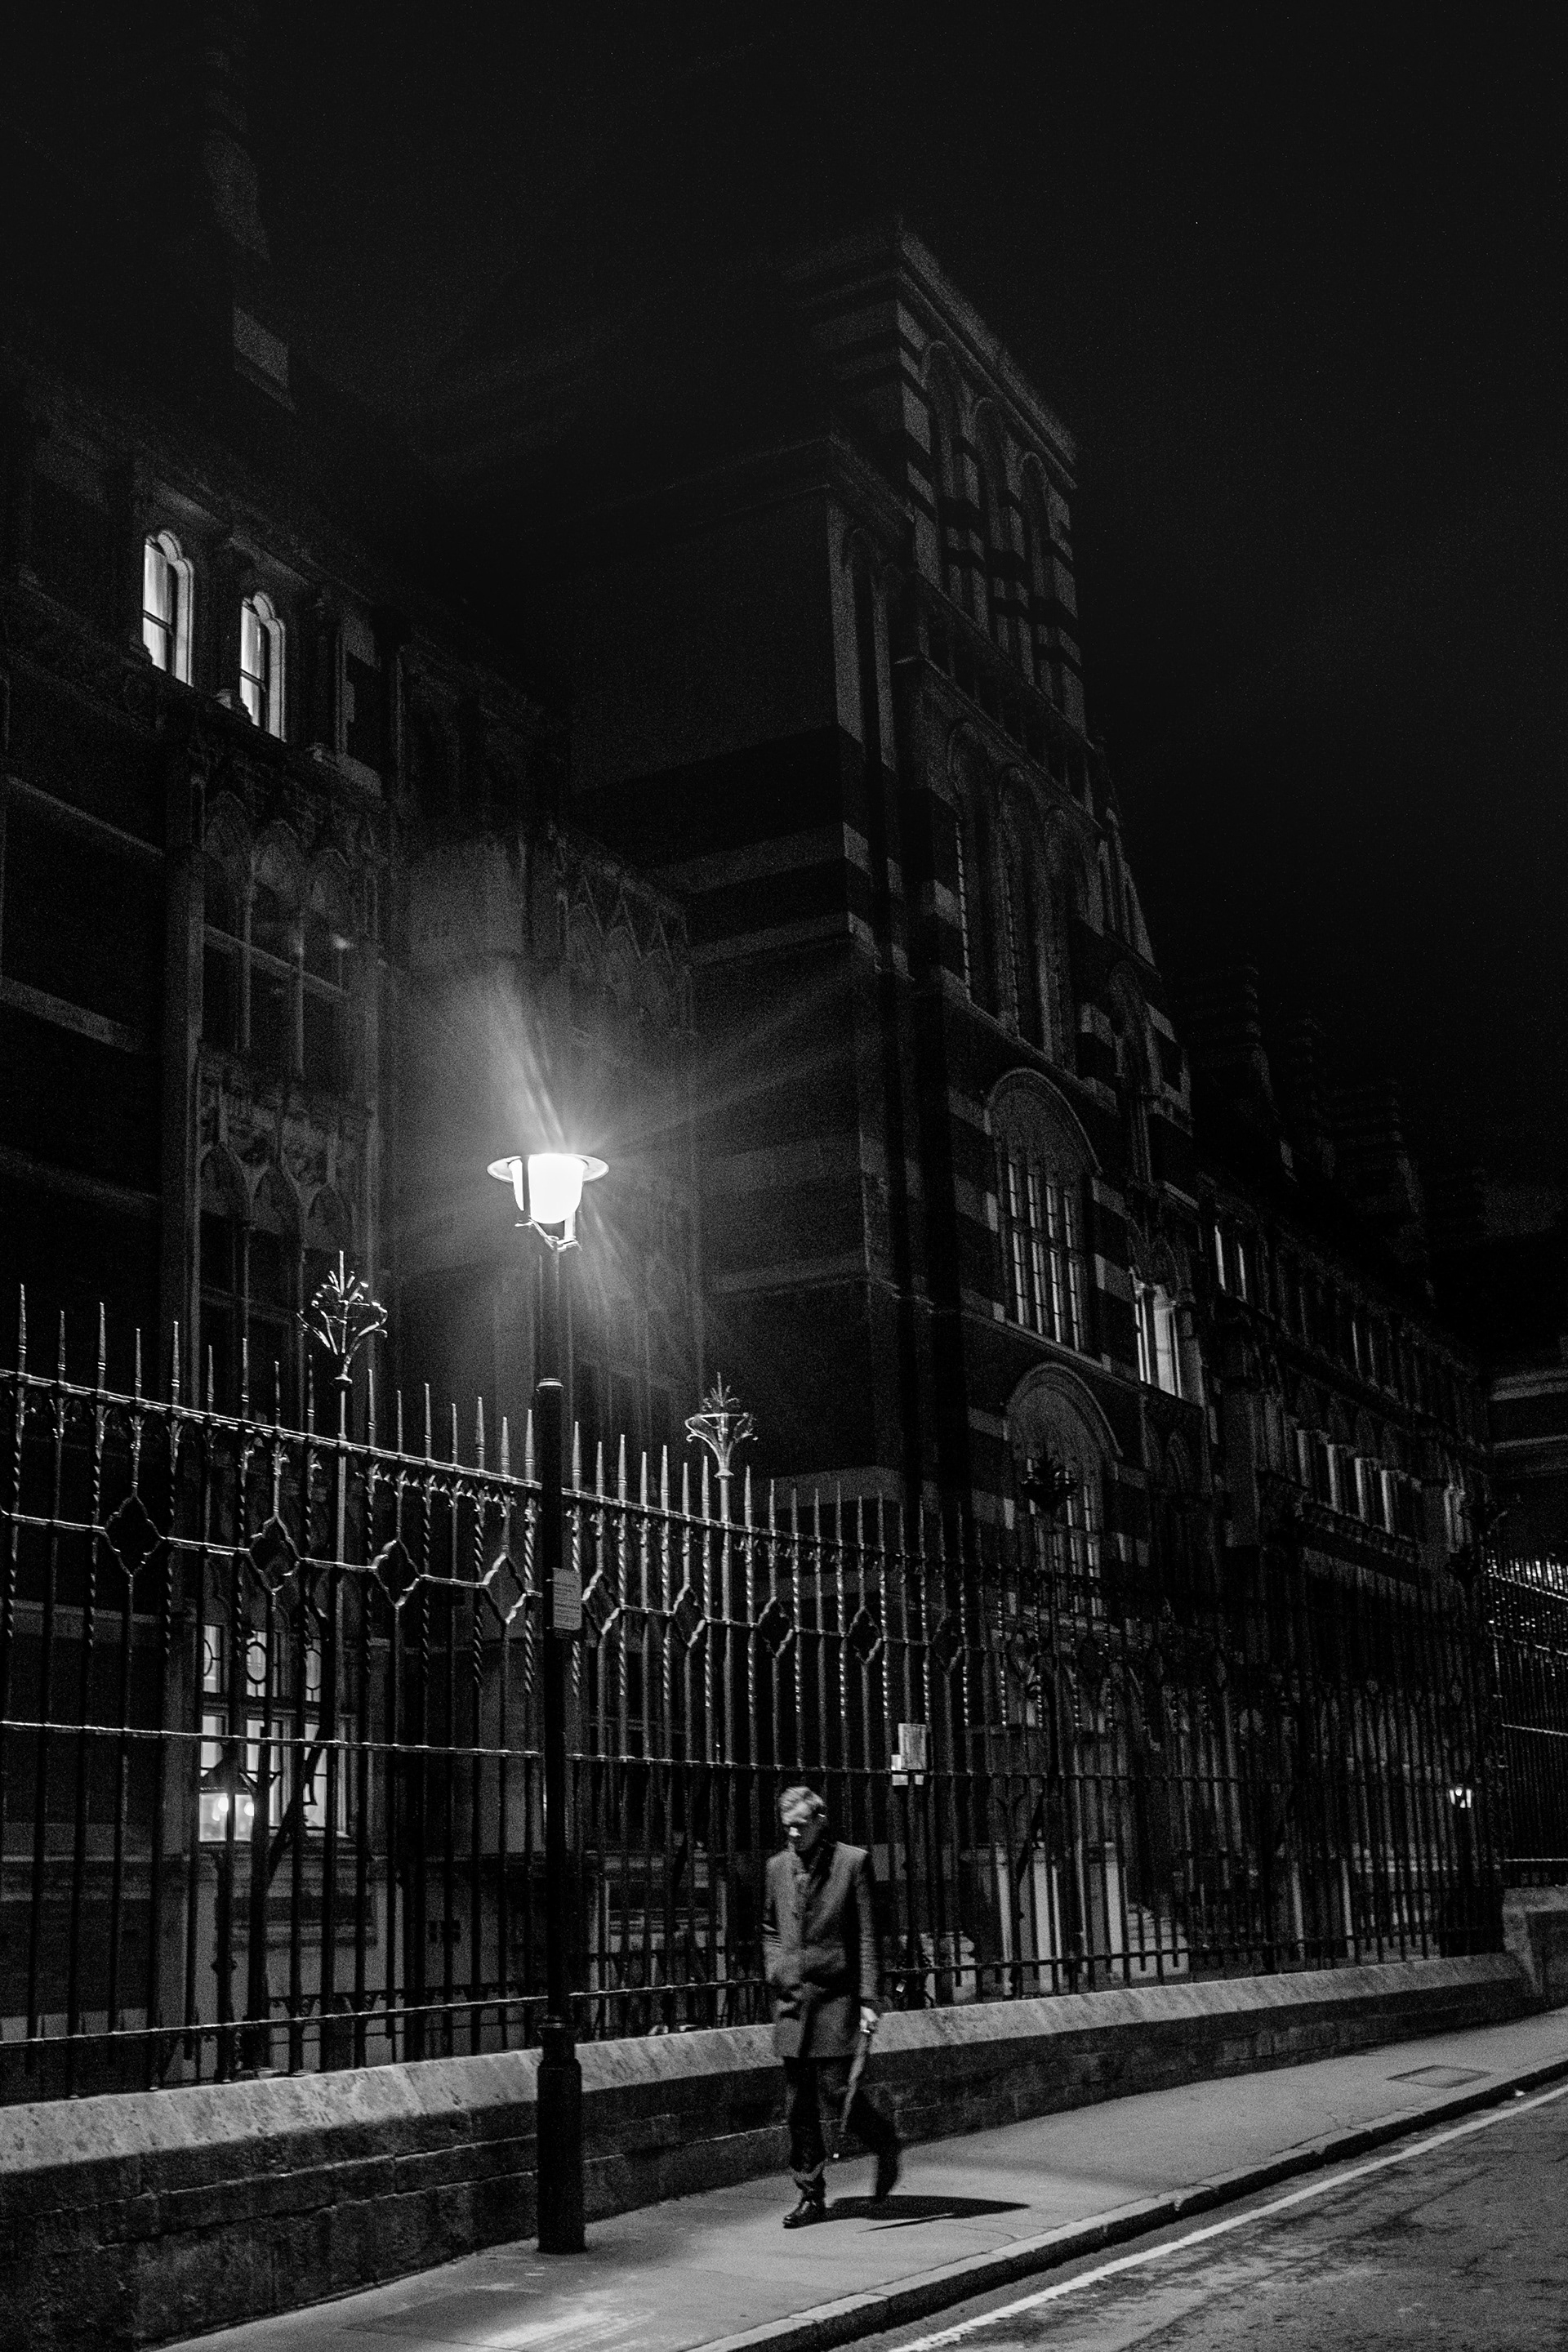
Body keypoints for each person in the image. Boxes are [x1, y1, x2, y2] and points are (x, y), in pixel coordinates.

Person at [761, 1784, 902, 2227]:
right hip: (792, 1998)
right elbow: (769, 1926)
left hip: (837, 1996)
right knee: (797, 2104)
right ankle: (811, 2194)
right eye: (786, 1827)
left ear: (820, 1822)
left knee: (836, 2090)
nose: (792, 1834)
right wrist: (777, 1967)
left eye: (800, 1826)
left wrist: (868, 1998)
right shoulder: (776, 1867)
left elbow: (865, 1933)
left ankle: (883, 2141)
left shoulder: (853, 1862)